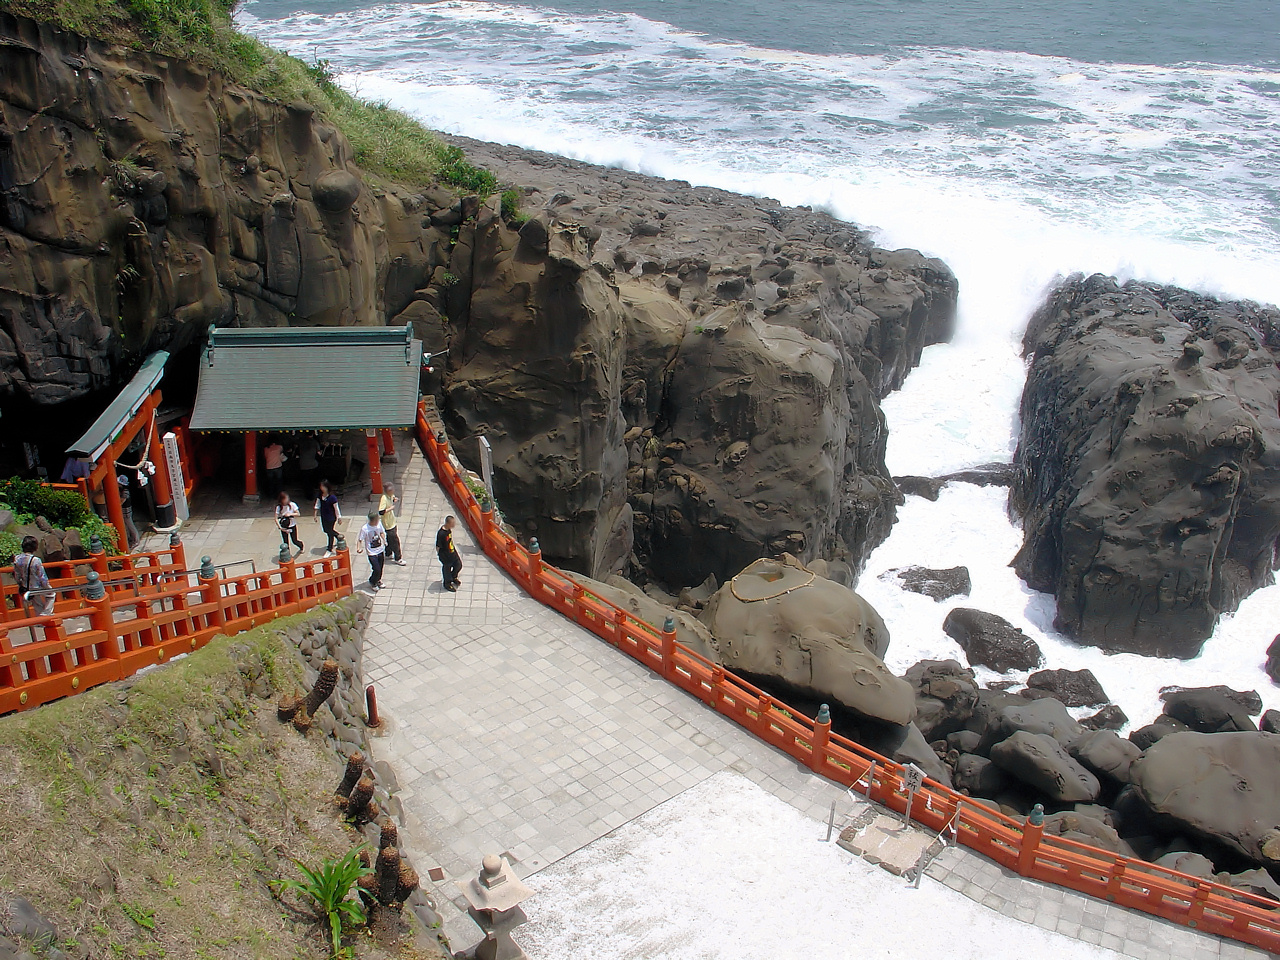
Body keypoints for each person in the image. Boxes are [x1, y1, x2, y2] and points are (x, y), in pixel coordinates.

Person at [13, 536, 54, 617]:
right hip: (37, 586)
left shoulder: (17, 559)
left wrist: (20, 585)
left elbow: (17, 575)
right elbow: (42, 576)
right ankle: (46, 614)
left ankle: (40, 619)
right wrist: (47, 586)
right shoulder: (36, 560)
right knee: (51, 595)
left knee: (37, 604)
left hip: (26, 586)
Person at [356, 509, 386, 591]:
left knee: (380, 567)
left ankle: (378, 580)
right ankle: (373, 581)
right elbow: (360, 539)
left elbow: (381, 532)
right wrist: (359, 548)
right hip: (372, 552)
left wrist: (384, 540)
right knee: (376, 568)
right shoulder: (365, 529)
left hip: (380, 549)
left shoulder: (379, 524)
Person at [378, 482, 406, 566]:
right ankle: (398, 558)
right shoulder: (384, 499)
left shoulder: (390, 495)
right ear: (388, 491)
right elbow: (381, 511)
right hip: (388, 523)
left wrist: (394, 499)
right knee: (395, 541)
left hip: (392, 521)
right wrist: (390, 508)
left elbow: (392, 498)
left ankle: (388, 552)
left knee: (390, 538)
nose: (393, 492)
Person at [314, 480, 341, 556]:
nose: (322, 488)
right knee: (326, 530)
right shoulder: (320, 496)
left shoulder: (332, 498)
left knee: (329, 532)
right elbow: (317, 505)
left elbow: (336, 508)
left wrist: (339, 517)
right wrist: (315, 515)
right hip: (324, 516)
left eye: (324, 487)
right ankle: (338, 536)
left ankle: (329, 548)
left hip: (331, 517)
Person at [436, 515, 462, 592]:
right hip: (445, 555)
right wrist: (440, 555)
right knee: (447, 569)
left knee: (458, 565)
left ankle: (453, 577)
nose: (454, 524)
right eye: (452, 523)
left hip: (452, 552)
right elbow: (438, 546)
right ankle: (447, 584)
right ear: (448, 523)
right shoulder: (441, 534)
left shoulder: (448, 530)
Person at [116, 470, 140, 549]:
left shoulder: (125, 492)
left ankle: (136, 541)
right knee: (127, 526)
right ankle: (131, 539)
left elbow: (121, 501)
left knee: (130, 525)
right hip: (124, 510)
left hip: (126, 511)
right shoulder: (121, 490)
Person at [275, 491, 304, 555]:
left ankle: (301, 546)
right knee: (285, 542)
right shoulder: (279, 507)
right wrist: (280, 527)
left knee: (294, 540)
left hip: (292, 525)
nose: (286, 500)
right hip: (284, 526)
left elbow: (298, 514)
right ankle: (287, 554)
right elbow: (276, 518)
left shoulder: (292, 504)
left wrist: (290, 514)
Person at [298, 434, 321, 499]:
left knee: (306, 481)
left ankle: (307, 495)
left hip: (303, 464)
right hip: (312, 464)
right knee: (312, 480)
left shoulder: (301, 442)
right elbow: (319, 453)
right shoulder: (315, 442)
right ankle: (313, 493)